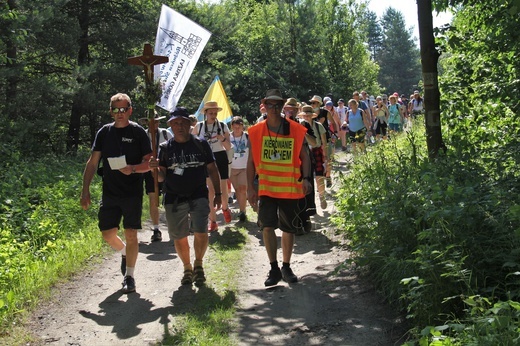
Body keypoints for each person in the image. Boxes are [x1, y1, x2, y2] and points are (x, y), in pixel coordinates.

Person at [80, 93, 153, 294]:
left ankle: (129, 276)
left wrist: (134, 169)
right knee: (107, 234)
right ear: (110, 111)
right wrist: (85, 190)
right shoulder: (104, 133)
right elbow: (93, 162)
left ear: (130, 110)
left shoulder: (138, 132)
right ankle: (124, 253)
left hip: (132, 192)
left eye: (123, 109)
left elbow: (150, 162)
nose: (119, 113)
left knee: (131, 234)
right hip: (110, 191)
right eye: (115, 109)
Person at [247, 89, 313, 286]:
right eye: (270, 105)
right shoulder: (256, 131)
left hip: (290, 187)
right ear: (264, 105)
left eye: (277, 105)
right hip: (266, 187)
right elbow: (250, 162)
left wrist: (307, 178)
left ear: (282, 106)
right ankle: (274, 268)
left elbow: (305, 156)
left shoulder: (295, 129)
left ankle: (286, 266)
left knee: (288, 228)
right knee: (267, 227)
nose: (274, 109)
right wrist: (250, 188)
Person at [155, 107, 222, 286]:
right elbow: (161, 177)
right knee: (179, 236)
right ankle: (187, 268)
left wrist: (219, 193)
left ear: (189, 124)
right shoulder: (165, 148)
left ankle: (198, 264)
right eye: (175, 123)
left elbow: (213, 169)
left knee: (201, 231)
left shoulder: (201, 144)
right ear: (170, 125)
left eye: (183, 122)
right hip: (174, 197)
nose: (179, 126)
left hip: (198, 194)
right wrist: (154, 169)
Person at [192, 101, 232, 232]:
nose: (213, 115)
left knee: (223, 187)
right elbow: (191, 145)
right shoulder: (199, 127)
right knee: (210, 191)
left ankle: (225, 207)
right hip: (205, 159)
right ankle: (213, 221)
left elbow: (229, 147)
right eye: (211, 113)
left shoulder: (222, 126)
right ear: (205, 113)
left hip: (220, 156)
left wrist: (222, 139)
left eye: (215, 113)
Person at [138, 114, 173, 242]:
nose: (155, 124)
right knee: (153, 198)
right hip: (147, 169)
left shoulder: (165, 134)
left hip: (164, 168)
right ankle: (156, 229)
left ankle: (174, 228)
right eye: (152, 122)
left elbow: (173, 148)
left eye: (157, 122)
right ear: (147, 123)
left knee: (169, 198)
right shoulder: (142, 135)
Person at [299, 105, 328, 210]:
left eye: (308, 115)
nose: (306, 117)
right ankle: (310, 204)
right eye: (304, 115)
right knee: (307, 177)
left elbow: (324, 142)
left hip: (317, 151)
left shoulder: (318, 125)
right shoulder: (300, 126)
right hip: (305, 153)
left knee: (319, 176)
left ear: (312, 116)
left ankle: (322, 196)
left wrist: (326, 155)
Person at [229, 116, 249, 222]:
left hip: (244, 168)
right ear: (231, 126)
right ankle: (242, 209)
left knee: (242, 189)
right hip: (232, 168)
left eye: (239, 127)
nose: (237, 129)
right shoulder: (227, 137)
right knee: (237, 190)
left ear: (242, 127)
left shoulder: (247, 137)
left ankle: (242, 212)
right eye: (235, 127)